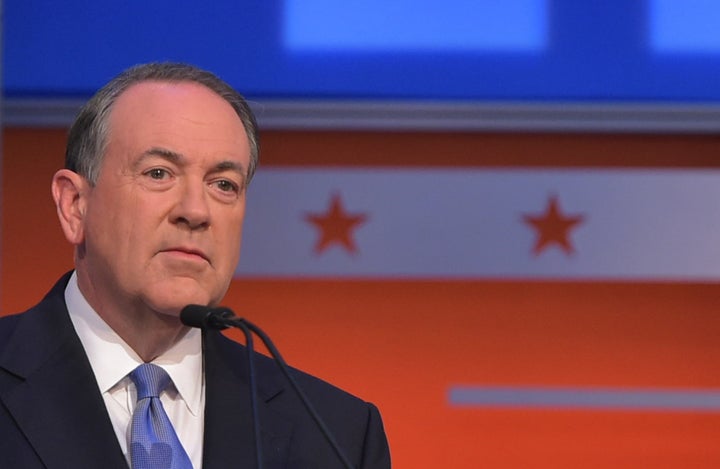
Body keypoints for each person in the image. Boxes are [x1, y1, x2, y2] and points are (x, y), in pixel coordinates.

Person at [0, 62, 391, 468]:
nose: (195, 211)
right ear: (75, 205)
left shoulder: (336, 436)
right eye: (159, 173)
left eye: (223, 184)